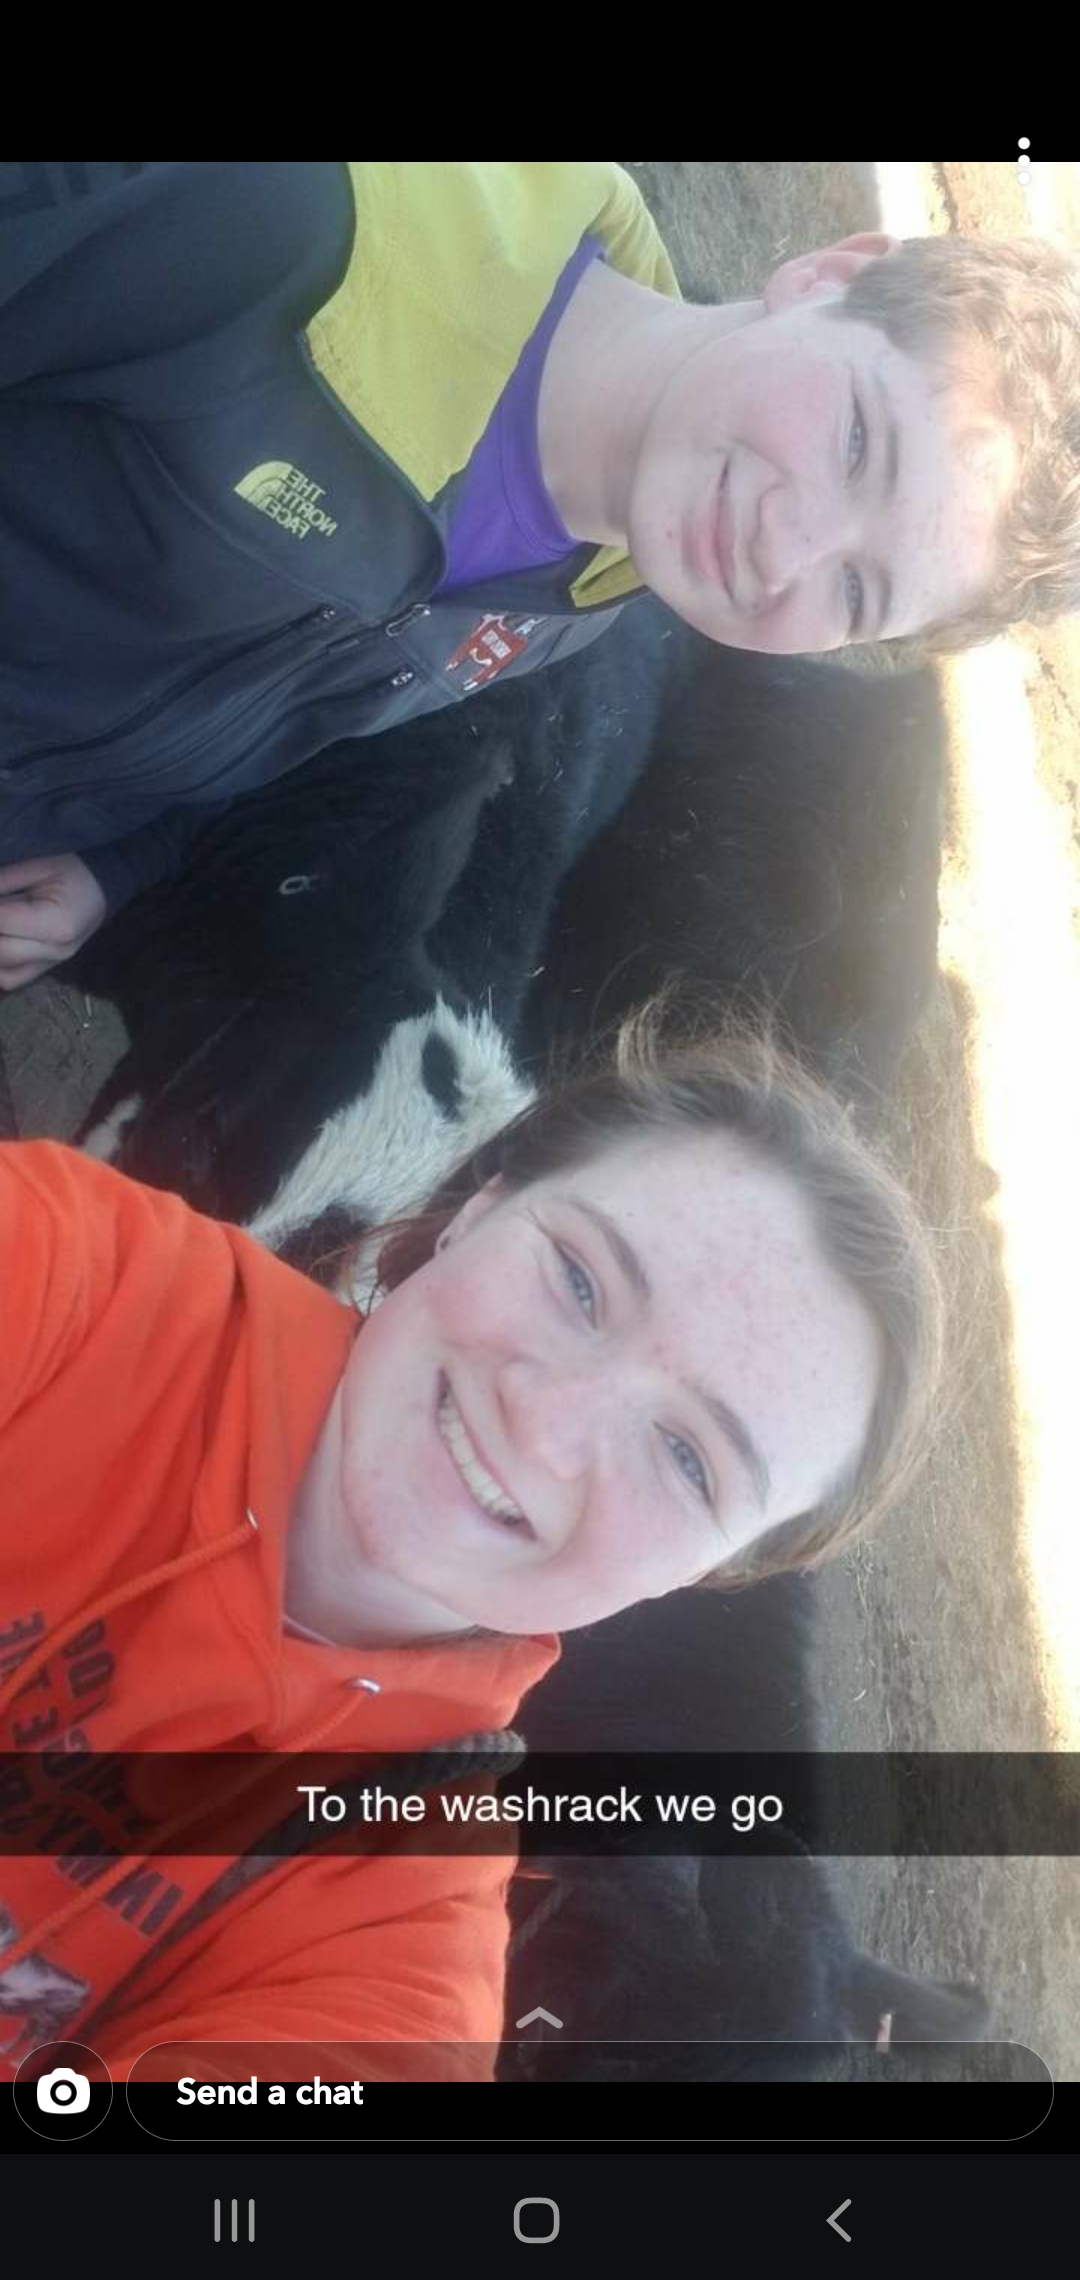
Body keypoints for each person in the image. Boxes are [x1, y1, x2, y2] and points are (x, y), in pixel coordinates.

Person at [0, 1012, 943, 2084]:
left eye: (688, 1458)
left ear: (706, 1574)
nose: (546, 1426)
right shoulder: (74, 1282)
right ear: (478, 1212)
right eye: (580, 1282)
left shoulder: (401, 1948)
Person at [1, 161, 1078, 988]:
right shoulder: (285, 221)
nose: (784, 551)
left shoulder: (581, 597)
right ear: (832, 276)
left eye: (855, 591)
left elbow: (281, 718)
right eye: (857, 443)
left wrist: (119, 862)